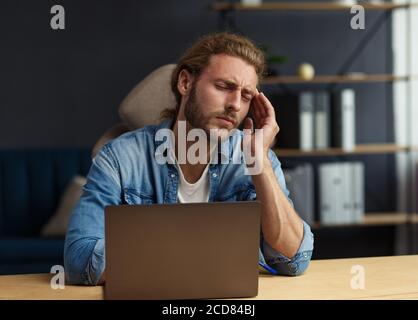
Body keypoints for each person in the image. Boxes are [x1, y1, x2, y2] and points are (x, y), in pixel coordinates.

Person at [64, 32, 314, 285]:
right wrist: (209, 256)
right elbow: (79, 259)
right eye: (224, 87)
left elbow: (294, 259)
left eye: (246, 96)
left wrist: (259, 162)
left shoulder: (254, 156)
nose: (235, 105)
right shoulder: (120, 157)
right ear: (185, 82)